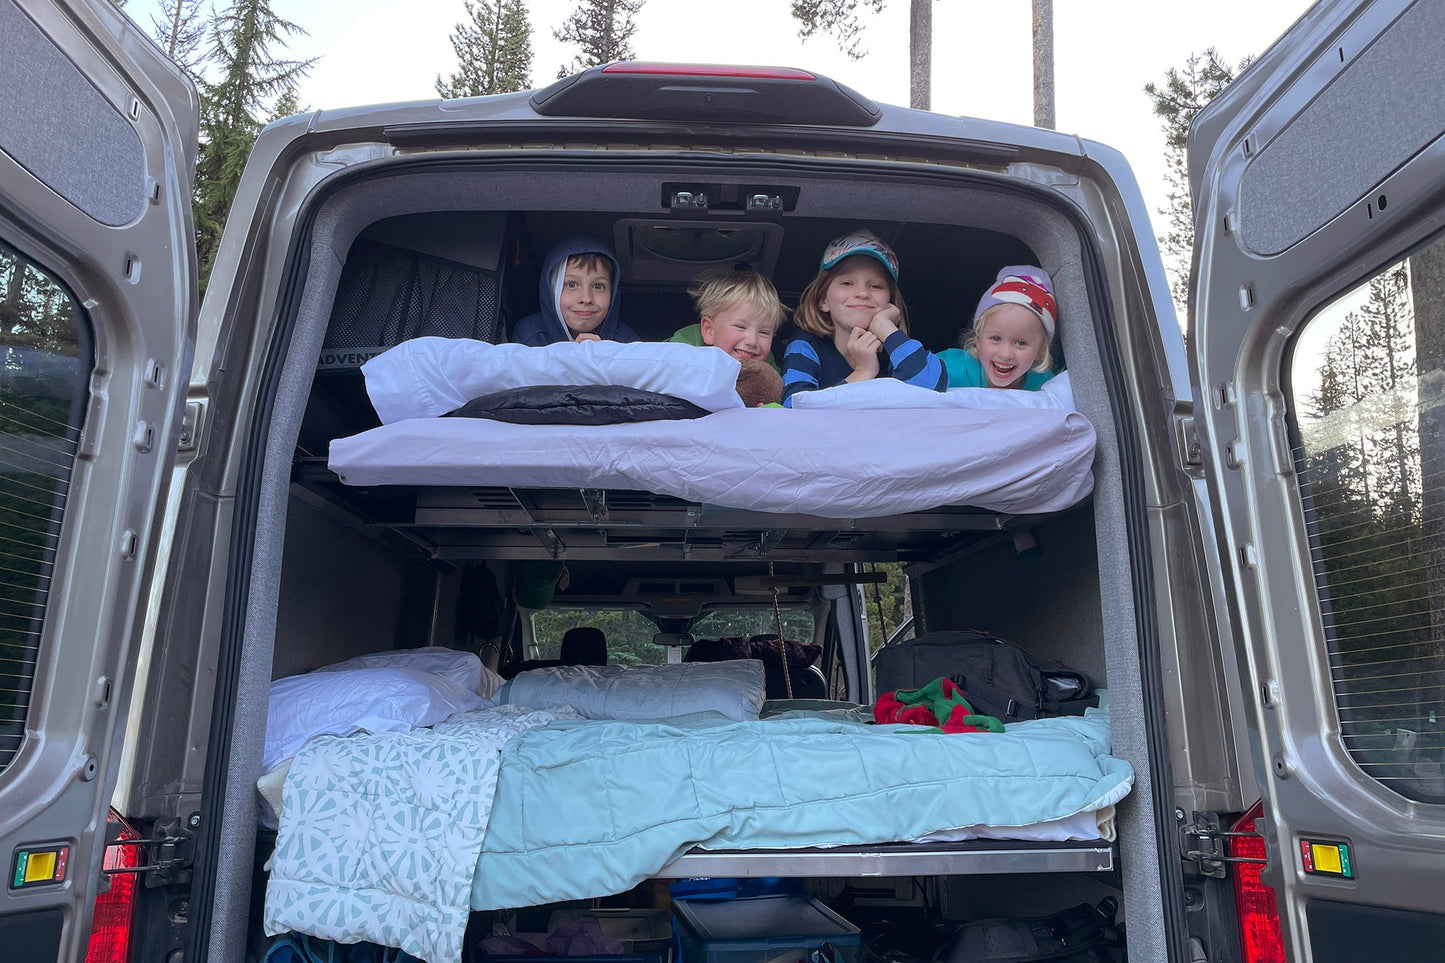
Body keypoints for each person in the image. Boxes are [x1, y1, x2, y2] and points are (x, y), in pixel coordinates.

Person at [780, 229, 946, 406]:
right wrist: (864, 371)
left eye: (875, 286)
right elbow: (795, 409)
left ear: (890, 301)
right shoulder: (806, 345)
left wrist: (886, 327)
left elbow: (933, 388)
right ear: (823, 300)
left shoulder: (896, 350)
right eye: (847, 283)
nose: (862, 293)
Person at [939, 266, 1059, 390]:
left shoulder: (1046, 387)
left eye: (1021, 342)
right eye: (996, 338)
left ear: (1040, 351)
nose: (1005, 354)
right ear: (977, 340)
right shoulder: (946, 374)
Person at [511, 236, 640, 345]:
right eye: (571, 285)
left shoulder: (625, 343)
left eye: (598, 286)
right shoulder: (531, 337)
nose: (586, 299)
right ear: (551, 290)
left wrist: (604, 357)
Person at [668, 269, 783, 368]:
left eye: (764, 332)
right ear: (709, 330)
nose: (752, 341)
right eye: (740, 327)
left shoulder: (767, 361)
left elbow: (776, 387)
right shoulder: (686, 343)